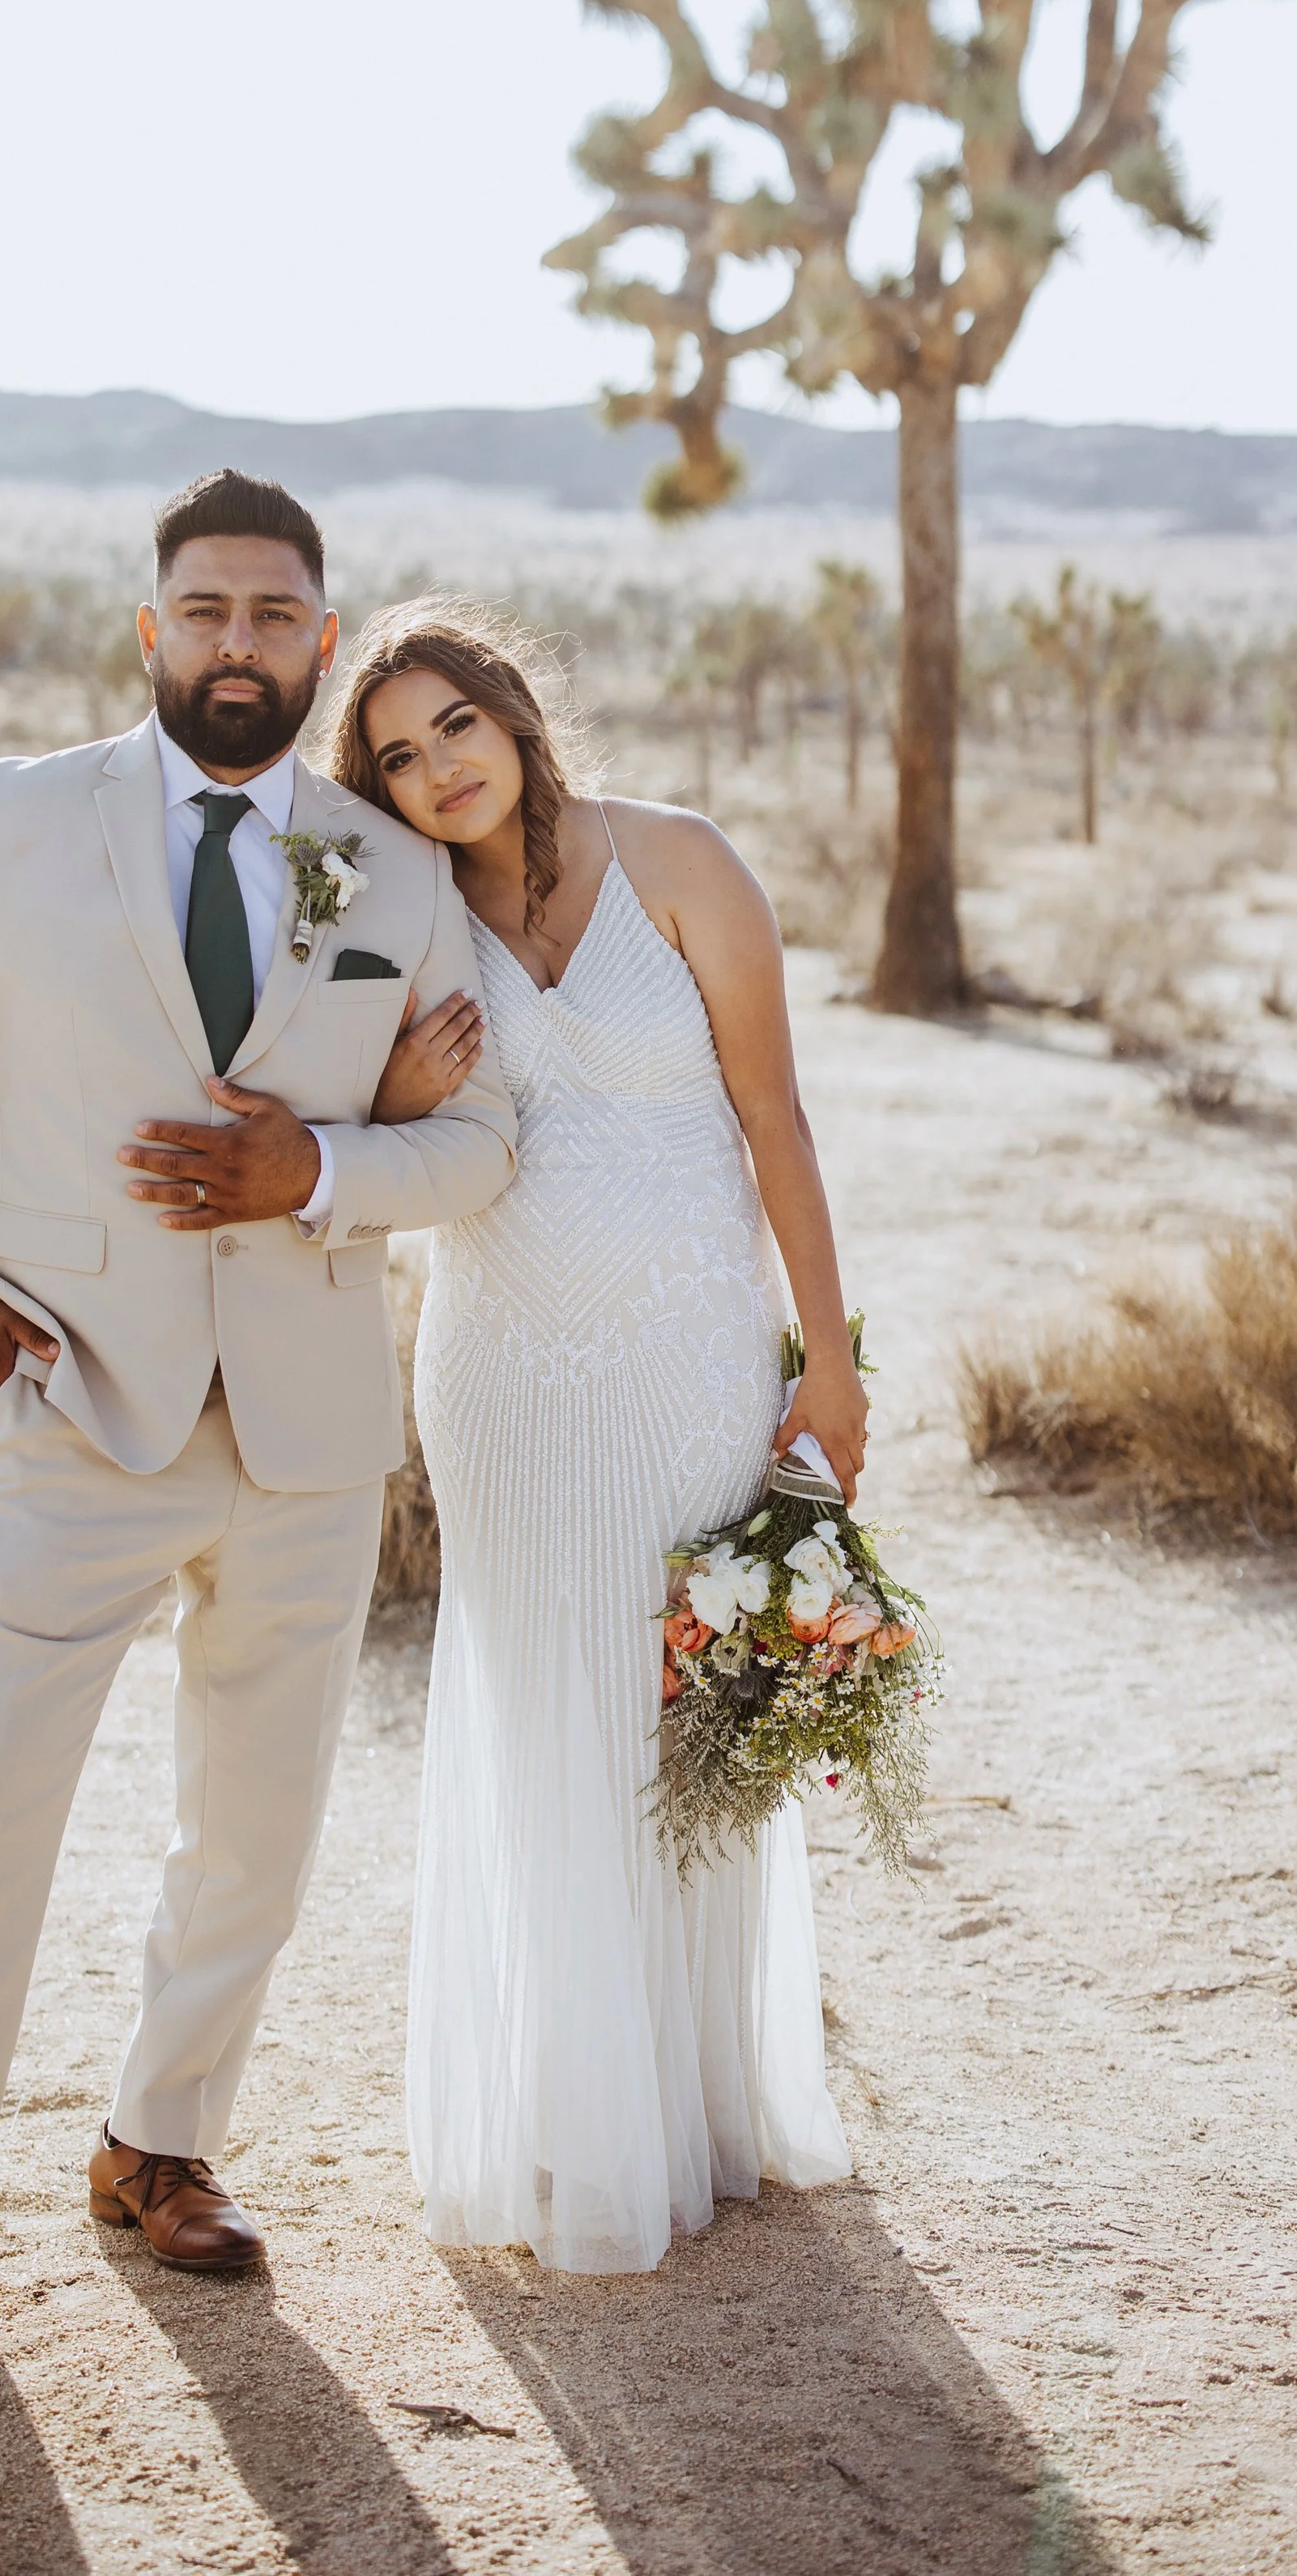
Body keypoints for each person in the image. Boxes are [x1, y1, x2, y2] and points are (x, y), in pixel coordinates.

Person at [0, 475, 515, 2361]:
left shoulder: (391, 871)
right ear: (150, 629)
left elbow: (477, 1144)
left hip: (305, 1426)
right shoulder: (9, 822)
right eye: (203, 609)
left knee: (256, 1827)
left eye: (273, 614)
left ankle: (160, 2143)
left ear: (320, 637)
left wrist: (321, 1170)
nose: (235, 643)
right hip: (65, 1399)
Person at [327, 599, 860, 2275]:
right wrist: (397, 1095)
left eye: (454, 727)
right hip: (500, 1374)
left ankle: (694, 2101)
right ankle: (576, 2114)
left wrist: (830, 1366)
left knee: (678, 1706)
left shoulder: (681, 863)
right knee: (547, 1710)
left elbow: (773, 1119)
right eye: (397, 759)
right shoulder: (404, 920)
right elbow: (351, 1128)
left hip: (692, 1359)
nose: (437, 771)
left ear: (513, 713)